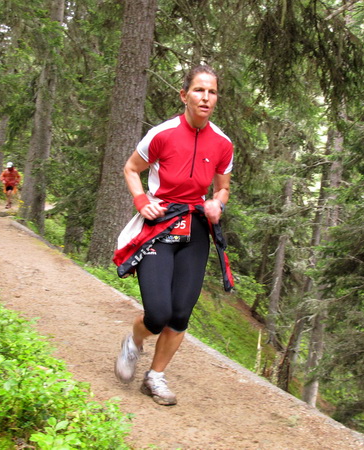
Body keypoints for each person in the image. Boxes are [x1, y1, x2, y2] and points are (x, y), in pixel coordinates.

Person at [113, 65, 234, 406]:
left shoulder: (223, 143)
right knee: (157, 314)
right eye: (199, 90)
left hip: (195, 229)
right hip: (161, 226)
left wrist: (217, 203)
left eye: (211, 92)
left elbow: (223, 188)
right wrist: (142, 201)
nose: (205, 97)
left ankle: (155, 376)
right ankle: (134, 342)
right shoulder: (162, 134)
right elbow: (131, 168)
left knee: (180, 314)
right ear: (184, 95)